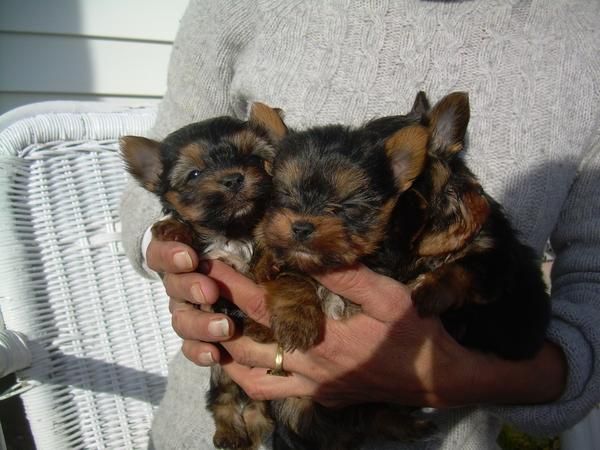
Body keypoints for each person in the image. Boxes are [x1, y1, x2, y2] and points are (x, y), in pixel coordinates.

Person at [120, 0, 600, 448]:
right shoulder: (239, 8)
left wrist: (458, 376)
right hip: (215, 410)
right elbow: (156, 191)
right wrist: (164, 250)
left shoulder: (584, 32)